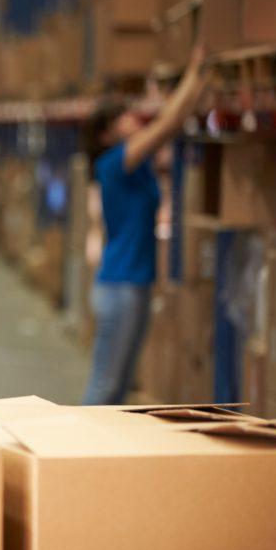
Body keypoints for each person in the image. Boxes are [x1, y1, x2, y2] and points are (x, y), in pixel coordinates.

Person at [81, 45, 211, 405]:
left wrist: (195, 87)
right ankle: (73, 454)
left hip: (134, 286)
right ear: (107, 134)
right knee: (106, 385)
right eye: (122, 117)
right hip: (119, 287)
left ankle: (99, 456)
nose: (132, 118)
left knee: (120, 387)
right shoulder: (114, 163)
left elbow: (173, 126)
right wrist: (198, 69)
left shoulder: (136, 167)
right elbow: (168, 124)